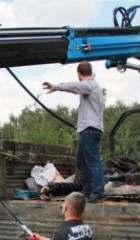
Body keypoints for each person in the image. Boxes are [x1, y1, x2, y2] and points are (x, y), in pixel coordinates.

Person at [43, 61, 105, 203]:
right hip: (87, 129)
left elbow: (76, 86)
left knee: (93, 161)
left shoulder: (90, 85)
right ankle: (88, 190)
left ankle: (97, 192)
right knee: (81, 161)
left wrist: (57, 87)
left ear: (79, 73)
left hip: (90, 129)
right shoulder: (92, 86)